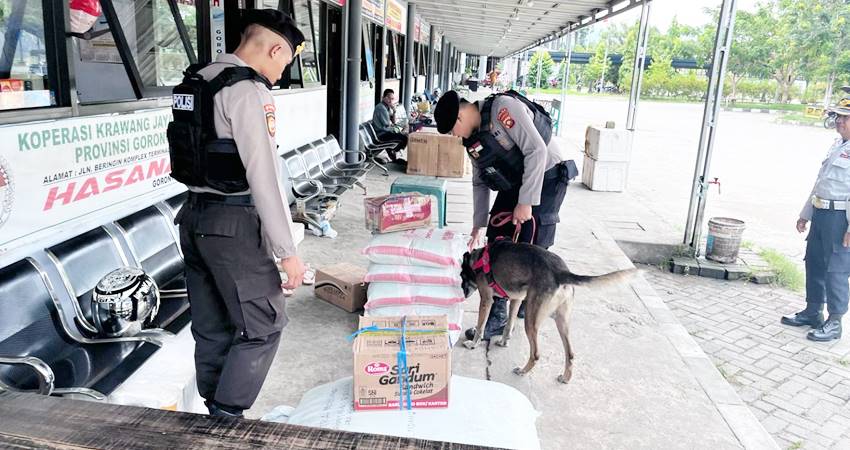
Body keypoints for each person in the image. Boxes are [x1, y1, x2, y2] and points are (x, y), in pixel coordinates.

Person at [169, 9, 306, 417]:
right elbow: (264, 175)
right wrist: (287, 251)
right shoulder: (249, 91)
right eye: (285, 62)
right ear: (276, 48)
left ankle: (214, 412)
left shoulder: (198, 80)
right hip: (232, 226)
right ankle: (227, 418)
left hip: (192, 218)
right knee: (264, 324)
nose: (281, 73)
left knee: (212, 328)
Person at [434, 90, 576, 341]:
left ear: (459, 118)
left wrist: (526, 202)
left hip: (547, 175)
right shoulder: (473, 140)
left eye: (453, 131)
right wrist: (479, 224)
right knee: (498, 236)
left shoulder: (503, 109)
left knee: (532, 243)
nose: (456, 137)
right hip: (517, 179)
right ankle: (498, 315)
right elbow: (480, 183)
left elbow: (537, 151)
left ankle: (531, 299)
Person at [782, 95, 850, 342]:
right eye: (838, 116)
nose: (839, 121)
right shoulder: (838, 145)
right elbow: (820, 184)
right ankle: (813, 311)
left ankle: (835, 322)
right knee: (814, 263)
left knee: (836, 270)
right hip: (822, 212)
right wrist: (805, 214)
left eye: (845, 117)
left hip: (841, 218)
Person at [371, 88, 408, 162]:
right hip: (381, 134)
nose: (390, 101)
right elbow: (387, 124)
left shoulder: (386, 107)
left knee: (403, 134)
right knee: (404, 138)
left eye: (392, 99)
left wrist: (394, 111)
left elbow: (393, 121)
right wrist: (397, 130)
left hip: (385, 132)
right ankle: (393, 151)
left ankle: (392, 152)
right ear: (383, 97)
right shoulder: (381, 108)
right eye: (388, 98)